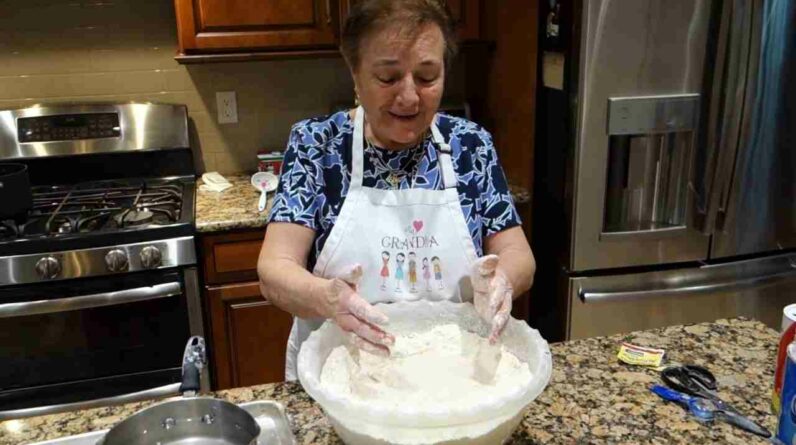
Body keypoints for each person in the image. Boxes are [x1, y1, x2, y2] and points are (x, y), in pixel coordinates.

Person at [257, 0, 536, 381]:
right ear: (354, 74)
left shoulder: (470, 145)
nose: (409, 97)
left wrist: (502, 282)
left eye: (427, 77)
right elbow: (274, 269)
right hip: (341, 378)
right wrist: (328, 298)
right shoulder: (316, 145)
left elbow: (517, 253)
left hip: (452, 377)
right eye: (388, 78)